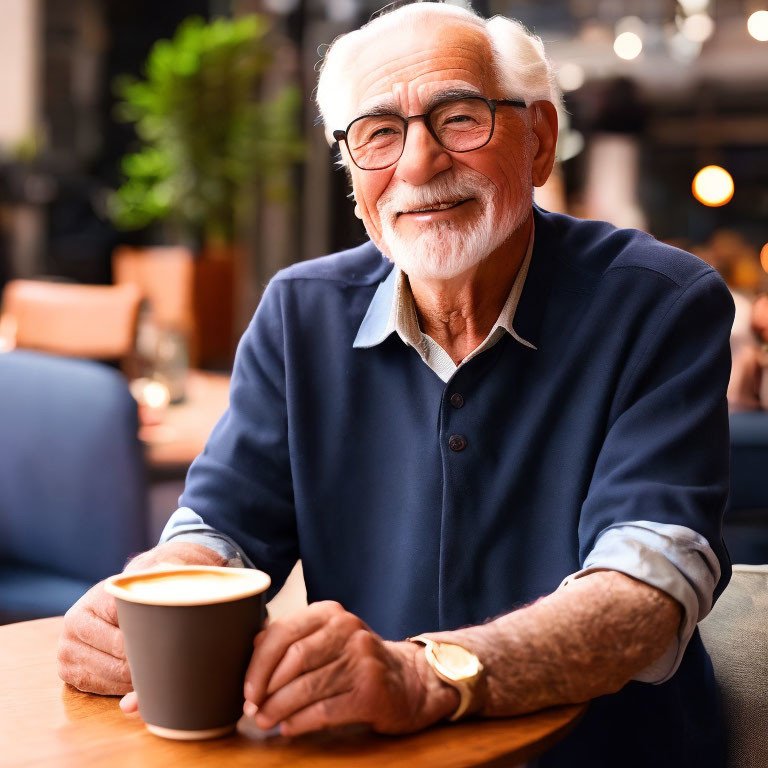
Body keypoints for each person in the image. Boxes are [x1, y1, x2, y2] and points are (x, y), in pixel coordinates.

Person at [57, 4, 733, 766]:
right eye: (379, 133)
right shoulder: (298, 311)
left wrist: (424, 673)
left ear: (539, 140)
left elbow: (648, 590)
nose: (418, 164)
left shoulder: (661, 302)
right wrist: (147, 599)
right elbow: (221, 528)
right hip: (370, 753)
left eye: (459, 117)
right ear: (352, 171)